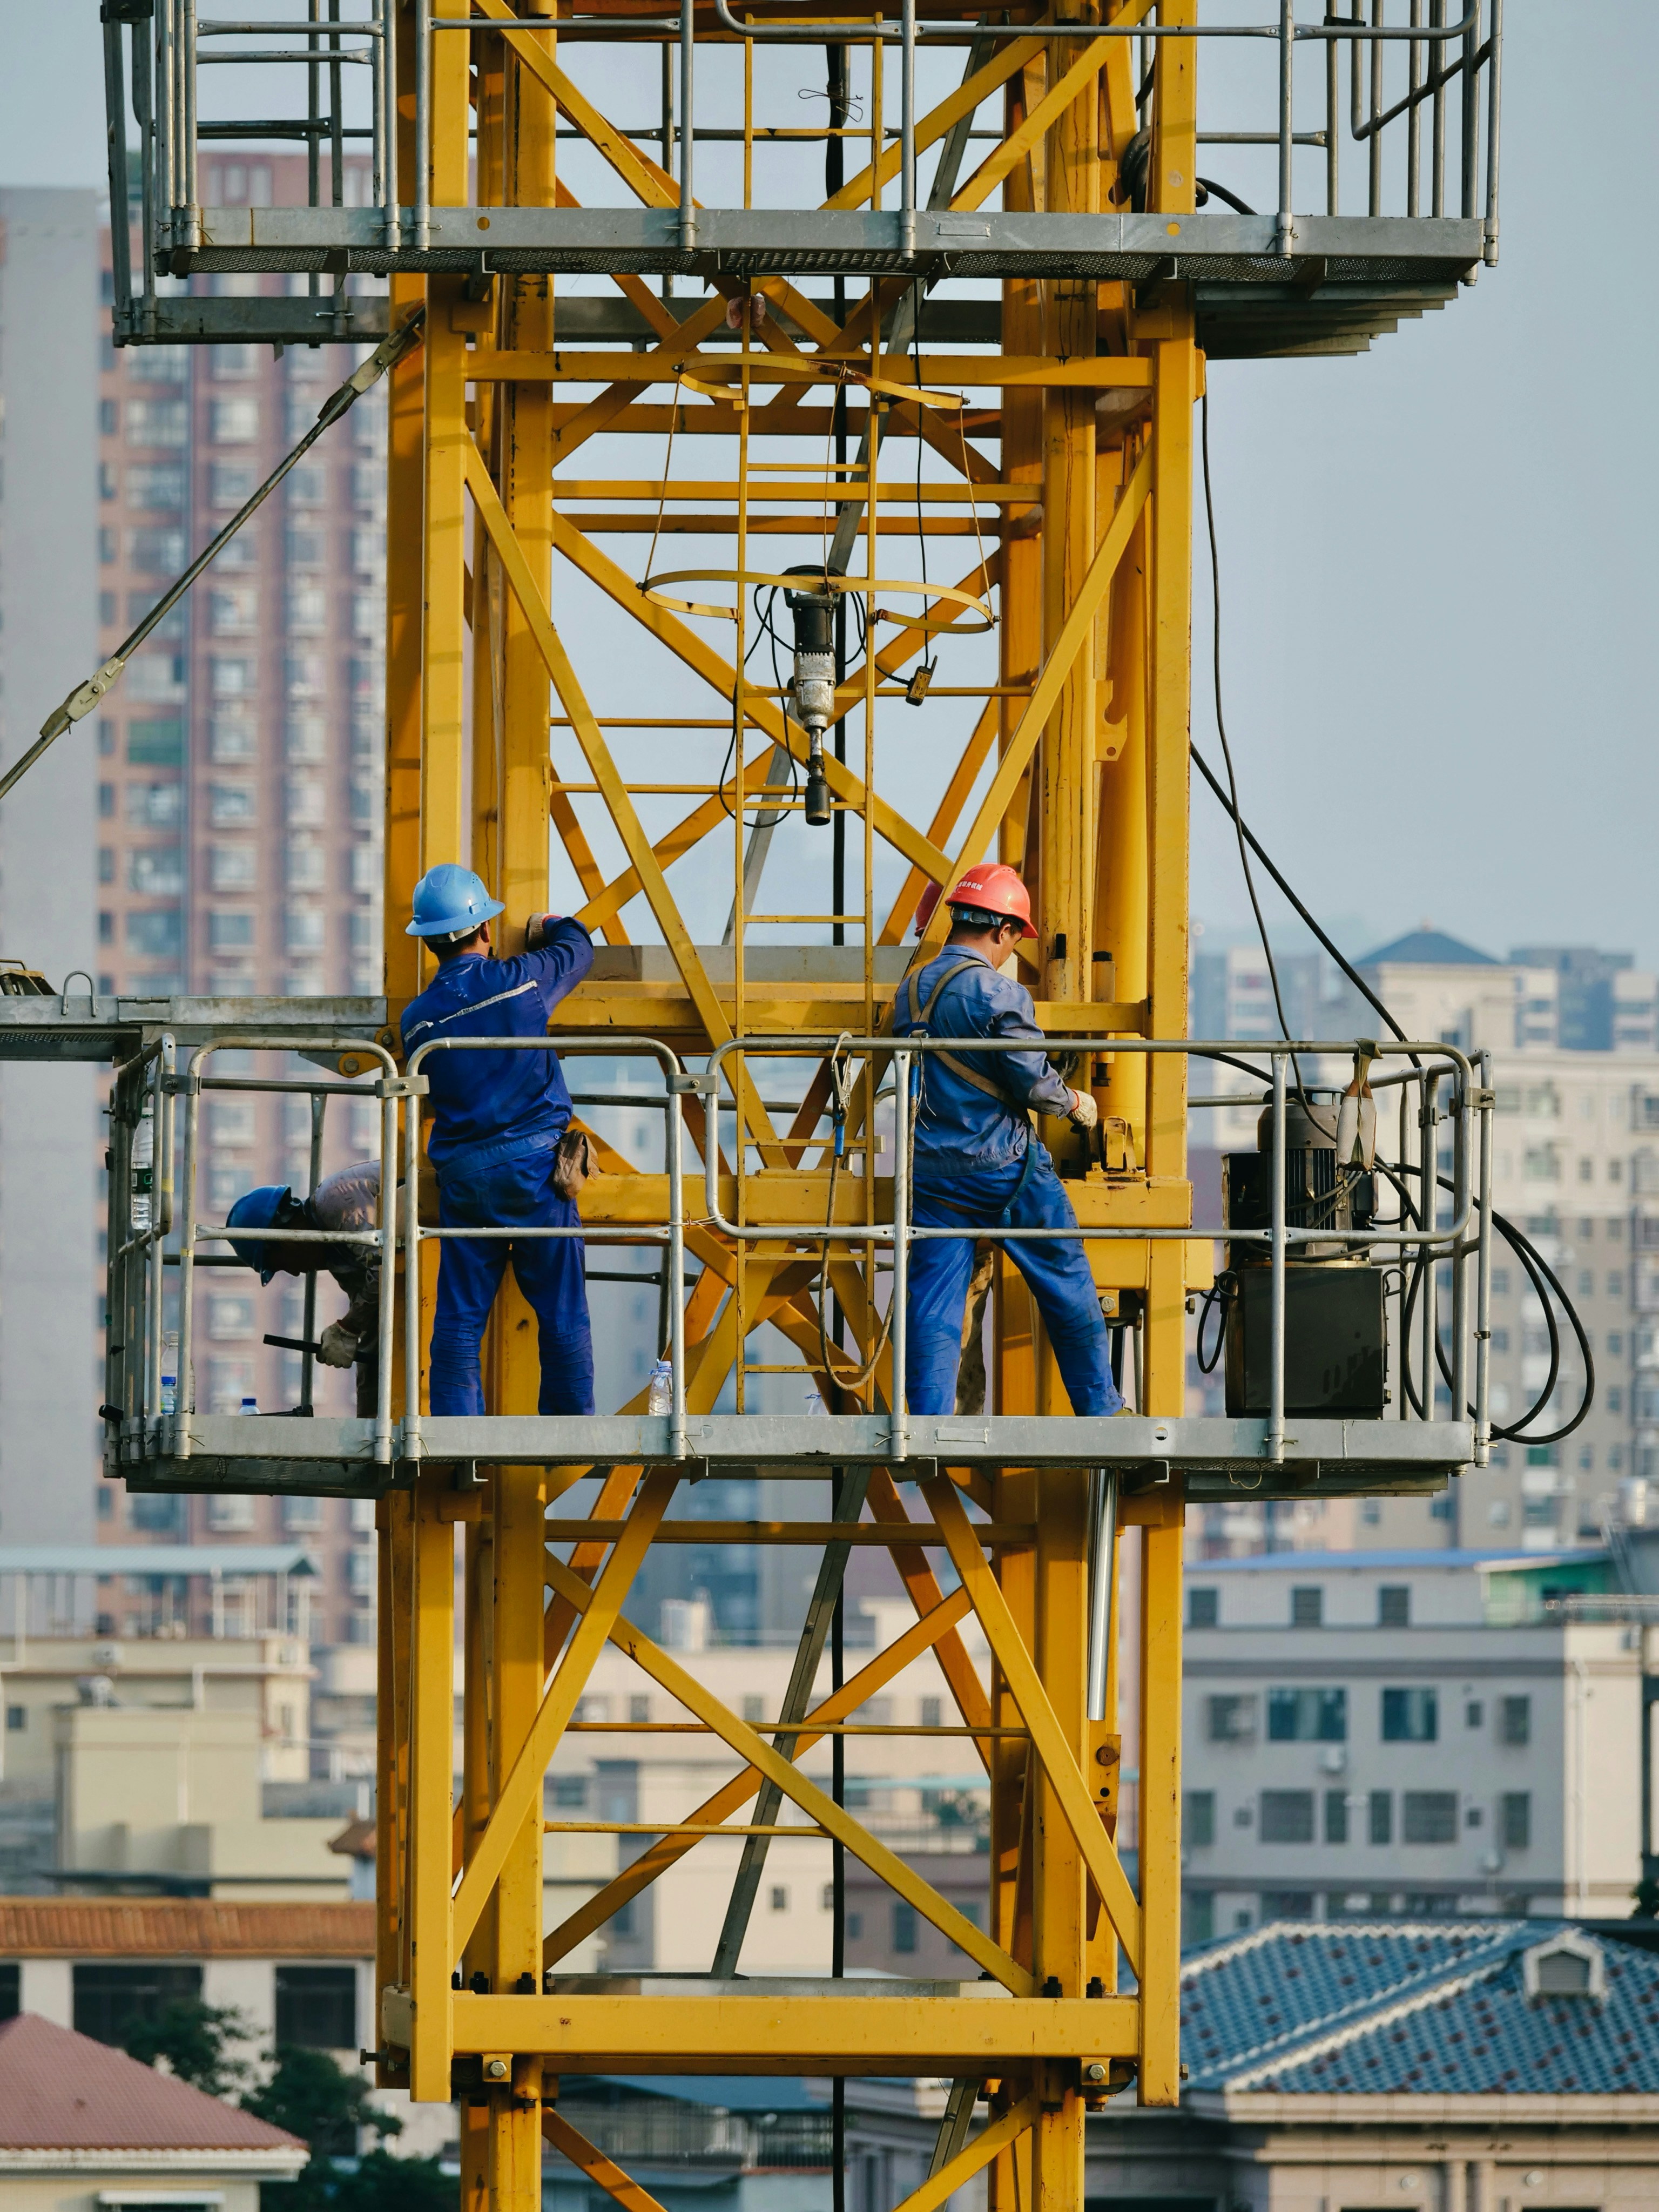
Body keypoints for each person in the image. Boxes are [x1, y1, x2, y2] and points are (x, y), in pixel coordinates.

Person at [893, 862, 1123, 1419]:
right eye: (1015, 938)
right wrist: (1074, 1102)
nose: (1012, 949)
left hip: (930, 1172)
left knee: (934, 1300)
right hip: (1004, 1168)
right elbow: (1031, 1081)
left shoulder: (911, 991)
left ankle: (926, 1420)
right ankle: (1102, 1409)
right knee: (1066, 1281)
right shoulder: (1000, 993)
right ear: (1001, 930)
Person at [399, 862, 596, 1417]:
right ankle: (570, 1426)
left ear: (430, 944)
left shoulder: (416, 1021)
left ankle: (457, 1435)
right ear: (485, 930)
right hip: (536, 1173)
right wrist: (549, 922)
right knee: (561, 1311)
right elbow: (579, 948)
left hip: (465, 1181)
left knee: (460, 1318)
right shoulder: (522, 981)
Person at [227, 1161, 388, 1414]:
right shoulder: (339, 1258)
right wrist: (367, 1431)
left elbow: (387, 1270)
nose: (293, 1272)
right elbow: (375, 1323)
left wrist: (347, 1328)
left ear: (285, 1236)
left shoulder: (336, 1201)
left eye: (280, 1263)